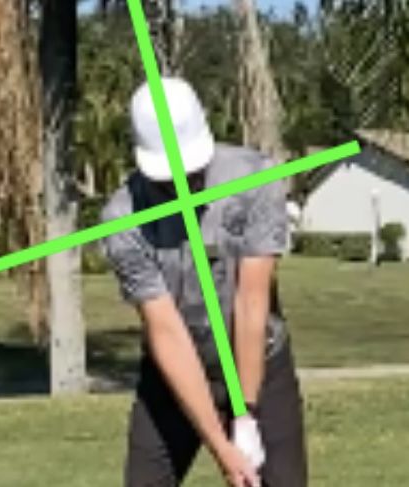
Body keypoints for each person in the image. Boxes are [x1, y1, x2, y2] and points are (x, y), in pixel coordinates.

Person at [101, 77, 307, 487]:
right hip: (173, 374)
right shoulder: (123, 220)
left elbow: (251, 302)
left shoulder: (256, 179)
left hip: (261, 362)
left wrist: (245, 415)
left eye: (193, 173)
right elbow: (166, 330)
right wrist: (222, 447)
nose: (184, 185)